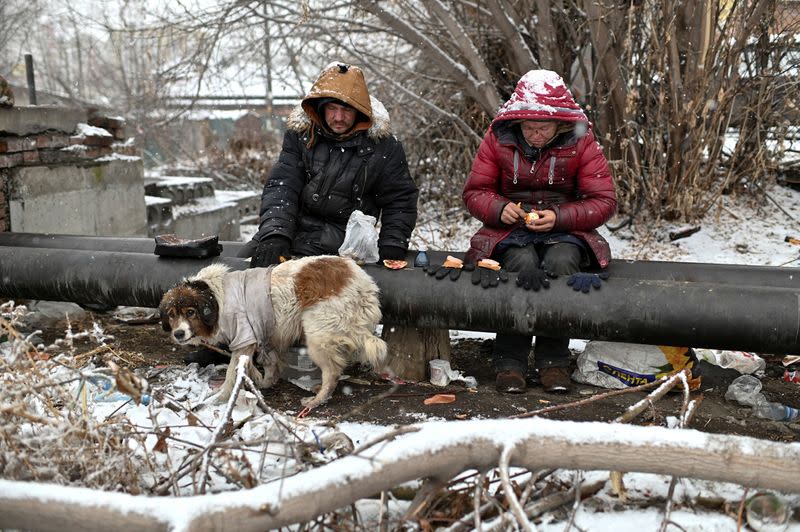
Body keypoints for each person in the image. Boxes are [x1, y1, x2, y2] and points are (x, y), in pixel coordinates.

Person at [461, 69, 617, 394]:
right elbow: (475, 192)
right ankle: (509, 362)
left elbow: (604, 201)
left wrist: (560, 216)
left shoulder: (581, 140)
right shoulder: (498, 137)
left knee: (561, 264)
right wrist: (498, 208)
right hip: (508, 230)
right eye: (528, 128)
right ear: (516, 122)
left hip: (567, 229)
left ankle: (554, 361)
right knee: (521, 265)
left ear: (559, 124)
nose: (534, 135)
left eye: (542, 128)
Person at [243, 61, 418, 267]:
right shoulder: (300, 136)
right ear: (320, 108)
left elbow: (399, 198)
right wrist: (276, 234)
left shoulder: (384, 146)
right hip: (293, 233)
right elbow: (283, 186)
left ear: (360, 111)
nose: (338, 117)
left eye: (346, 110)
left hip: (347, 246)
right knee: (239, 269)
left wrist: (392, 243)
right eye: (332, 108)